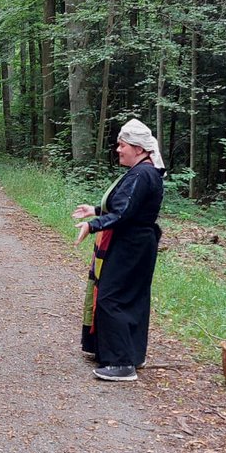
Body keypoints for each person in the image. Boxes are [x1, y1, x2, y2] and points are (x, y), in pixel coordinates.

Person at [73, 118, 166, 382]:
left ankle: (120, 364)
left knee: (112, 298)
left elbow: (124, 213)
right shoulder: (143, 172)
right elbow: (129, 207)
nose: (118, 149)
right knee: (131, 298)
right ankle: (130, 354)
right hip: (135, 242)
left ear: (138, 148)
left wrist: (93, 225)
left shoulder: (142, 174)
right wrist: (97, 211)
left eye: (122, 145)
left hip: (131, 245)